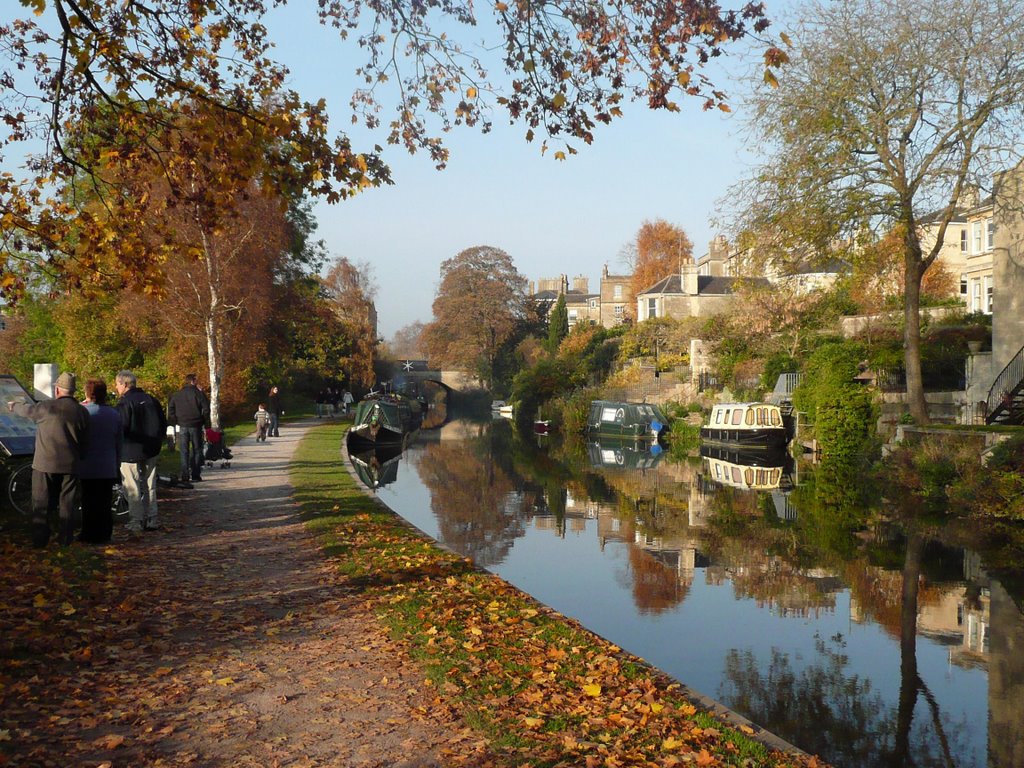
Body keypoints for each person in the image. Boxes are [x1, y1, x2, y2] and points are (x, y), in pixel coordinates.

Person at [7, 372, 90, 547]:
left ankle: (40, 540)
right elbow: (85, 440)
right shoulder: (82, 411)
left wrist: (14, 405)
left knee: (41, 503)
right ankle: (65, 540)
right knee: (67, 503)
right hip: (71, 464)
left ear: (57, 389)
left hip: (44, 463)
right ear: (73, 391)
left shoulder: (46, 407)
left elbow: (26, 410)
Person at [114, 370, 167, 534]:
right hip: (151, 448)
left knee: (132, 487)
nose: (116, 388)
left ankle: (136, 520)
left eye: (117, 384)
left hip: (130, 450)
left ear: (124, 384)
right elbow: (163, 423)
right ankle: (152, 517)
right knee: (150, 485)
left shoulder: (124, 403)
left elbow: (121, 428)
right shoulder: (151, 400)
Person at [78, 378, 123, 544]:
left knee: (88, 500)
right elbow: (119, 441)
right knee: (104, 501)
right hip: (107, 464)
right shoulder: (113, 414)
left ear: (87, 393)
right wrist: (117, 462)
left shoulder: (82, 412)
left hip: (86, 464)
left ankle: (88, 533)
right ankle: (104, 533)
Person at [167, 373, 210, 482]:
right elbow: (206, 408)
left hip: (182, 425)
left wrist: (175, 421)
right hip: (196, 425)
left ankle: (185, 475)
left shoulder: (177, 395)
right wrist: (203, 420)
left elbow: (171, 409)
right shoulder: (198, 394)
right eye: (196, 380)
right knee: (197, 450)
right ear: (193, 381)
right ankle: (195, 474)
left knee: (184, 451)